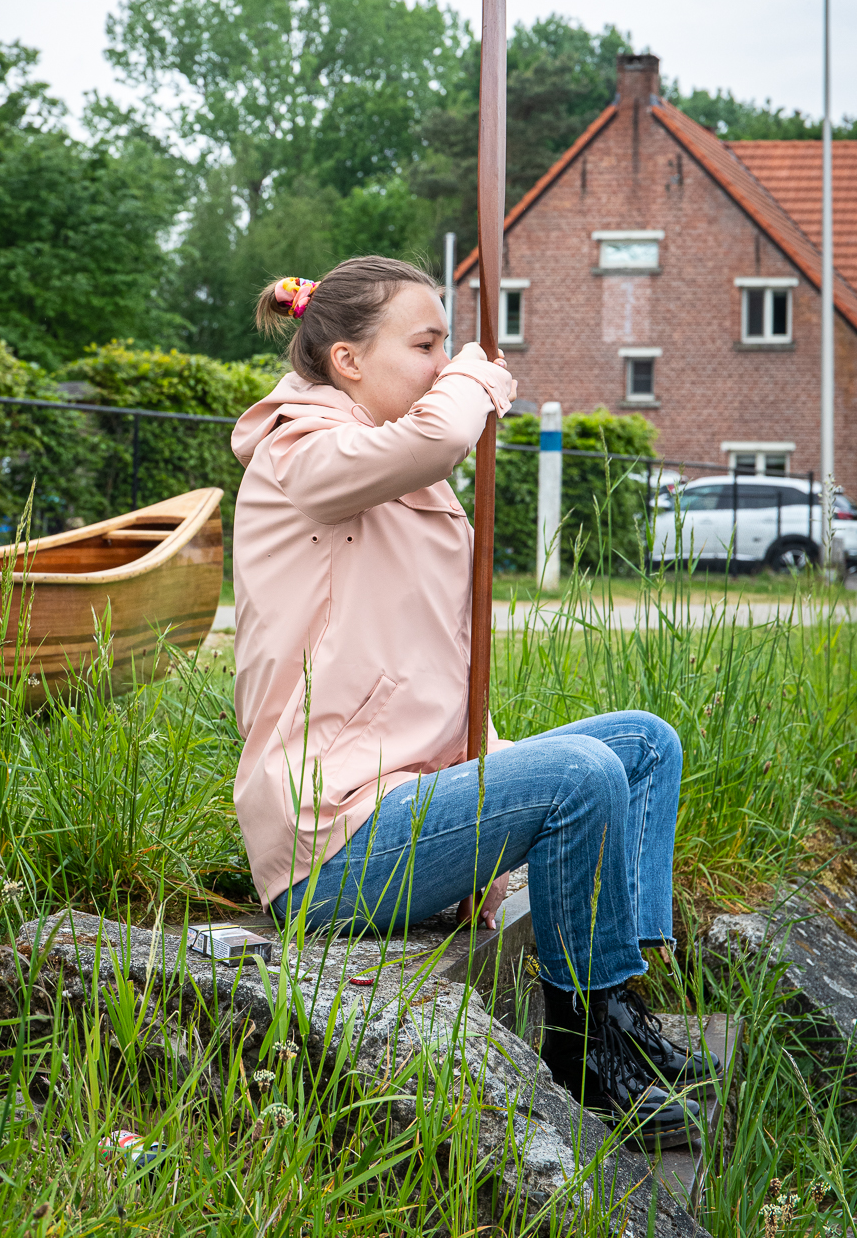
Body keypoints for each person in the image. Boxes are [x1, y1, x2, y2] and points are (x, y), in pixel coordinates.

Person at [231, 256, 707, 1144]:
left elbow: (440, 670)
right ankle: (583, 1050)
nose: (445, 361)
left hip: (407, 802)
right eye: (426, 345)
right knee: (577, 773)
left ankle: (618, 1010)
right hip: (330, 842)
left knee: (642, 744)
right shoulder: (300, 453)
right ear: (346, 361)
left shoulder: (398, 473)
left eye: (446, 344)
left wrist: (493, 811)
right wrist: (474, 382)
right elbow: (436, 437)